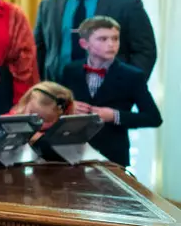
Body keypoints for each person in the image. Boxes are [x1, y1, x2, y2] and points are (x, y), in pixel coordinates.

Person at [60, 16, 162, 167]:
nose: (111, 44)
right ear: (84, 43)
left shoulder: (132, 76)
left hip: (113, 155)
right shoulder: (70, 70)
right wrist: (69, 107)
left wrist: (115, 116)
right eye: (103, 39)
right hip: (72, 152)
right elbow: (56, 106)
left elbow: (153, 118)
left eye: (115, 39)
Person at [0, 81, 74, 138]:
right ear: (25, 104)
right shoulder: (14, 118)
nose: (38, 123)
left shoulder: (56, 130)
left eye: (45, 120)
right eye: (33, 115)